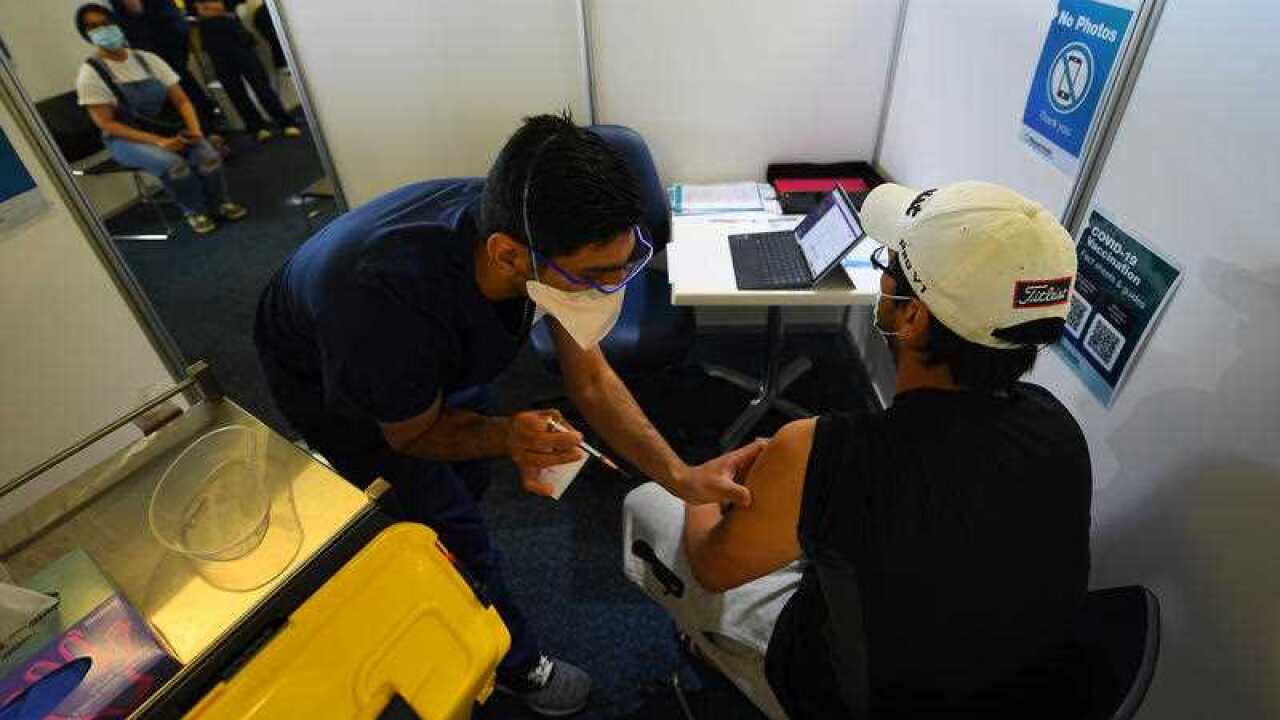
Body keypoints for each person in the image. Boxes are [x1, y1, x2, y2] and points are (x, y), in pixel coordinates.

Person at [253, 113, 765, 716]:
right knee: (441, 520)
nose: (614, 288)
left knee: (466, 474)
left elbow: (592, 380)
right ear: (508, 256)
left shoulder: (530, 228)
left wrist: (679, 476)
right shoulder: (382, 306)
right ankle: (515, 664)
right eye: (597, 276)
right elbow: (414, 432)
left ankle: (461, 545)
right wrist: (506, 440)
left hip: (428, 355)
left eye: (626, 263)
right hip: (333, 372)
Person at [624, 181, 1093, 718]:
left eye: (887, 264)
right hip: (1018, 692)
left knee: (648, 505)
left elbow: (712, 565)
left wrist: (696, 484)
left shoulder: (826, 450)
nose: (882, 276)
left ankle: (710, 646)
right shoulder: (1057, 424)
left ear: (912, 317)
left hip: (854, 700)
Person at [75, 3, 247, 234]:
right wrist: (158, 142)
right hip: (125, 139)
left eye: (106, 23)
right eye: (93, 26)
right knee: (173, 164)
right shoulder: (90, 75)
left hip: (165, 127)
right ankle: (195, 211)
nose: (103, 29)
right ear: (86, 34)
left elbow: (182, 101)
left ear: (117, 24)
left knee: (208, 155)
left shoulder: (147, 59)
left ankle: (219, 203)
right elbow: (107, 123)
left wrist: (194, 130)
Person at [190, 0, 300, 143]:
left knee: (260, 83)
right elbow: (196, 12)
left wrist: (208, 8)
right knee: (234, 89)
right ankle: (257, 128)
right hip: (213, 43)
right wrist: (216, 10)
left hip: (236, 37)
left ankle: (285, 122)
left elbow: (228, 6)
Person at [108, 0, 221, 131]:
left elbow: (138, 9)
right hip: (157, 37)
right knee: (178, 81)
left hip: (163, 37)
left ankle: (205, 124)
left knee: (178, 80)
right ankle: (204, 120)